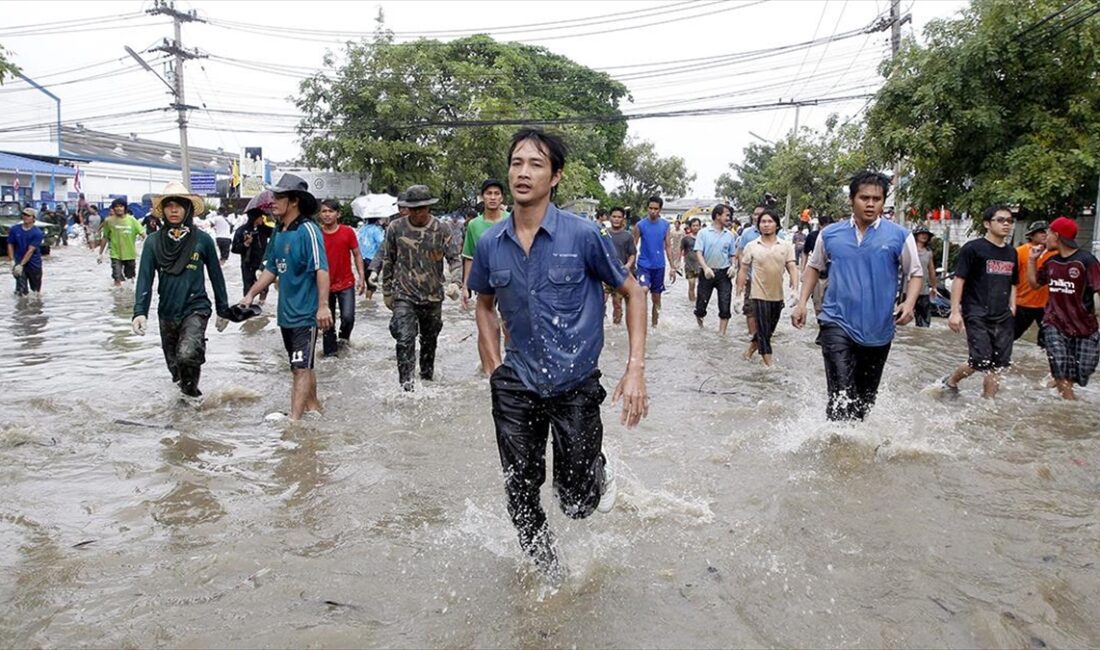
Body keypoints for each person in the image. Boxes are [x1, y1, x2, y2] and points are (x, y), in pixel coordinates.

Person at [467, 128, 648, 580]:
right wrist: (494, 369)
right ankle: (551, 576)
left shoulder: (584, 235)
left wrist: (635, 370)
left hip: (575, 384)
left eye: (536, 164)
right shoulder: (491, 243)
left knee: (578, 503)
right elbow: (484, 306)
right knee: (520, 492)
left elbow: (634, 293)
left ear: (555, 177)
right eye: (516, 163)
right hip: (516, 384)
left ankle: (596, 472)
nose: (523, 173)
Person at [791, 171, 923, 421]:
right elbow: (813, 267)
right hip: (835, 320)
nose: (871, 204)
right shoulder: (830, 234)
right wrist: (801, 303)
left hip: (879, 328)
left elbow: (915, 273)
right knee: (841, 393)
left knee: (864, 402)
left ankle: (855, 450)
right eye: (864, 198)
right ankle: (836, 451)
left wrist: (909, 302)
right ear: (852, 200)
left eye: (877, 199)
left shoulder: (899, 235)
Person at [238, 173, 333, 421]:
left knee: (300, 368)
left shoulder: (309, 230)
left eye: (279, 197)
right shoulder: (279, 231)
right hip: (286, 313)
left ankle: (293, 421)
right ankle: (313, 408)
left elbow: (321, 269)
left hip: (306, 312)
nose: (273, 201)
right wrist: (250, 295)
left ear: (294, 201)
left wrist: (323, 307)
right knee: (300, 365)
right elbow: (271, 269)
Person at [132, 181, 231, 398]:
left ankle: (193, 397)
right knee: (176, 368)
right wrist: (139, 311)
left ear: (187, 209)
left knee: (187, 353)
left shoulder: (203, 240)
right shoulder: (152, 242)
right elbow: (145, 279)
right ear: (163, 210)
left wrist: (223, 310)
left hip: (196, 307)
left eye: (179, 205)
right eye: (169, 206)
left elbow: (216, 276)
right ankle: (187, 403)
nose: (174, 210)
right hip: (167, 311)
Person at [377, 185, 462, 391]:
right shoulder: (395, 228)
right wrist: (386, 292)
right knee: (405, 339)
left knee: (429, 341)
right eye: (413, 208)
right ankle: (406, 388)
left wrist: (455, 282)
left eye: (421, 208)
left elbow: (455, 259)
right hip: (404, 294)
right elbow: (389, 259)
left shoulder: (442, 229)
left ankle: (427, 378)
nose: (417, 212)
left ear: (428, 208)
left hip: (433, 296)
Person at [942, 206, 1018, 399]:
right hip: (976, 312)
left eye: (1009, 220)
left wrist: (1013, 306)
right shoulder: (973, 249)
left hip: (1002, 314)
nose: (1006, 224)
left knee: (998, 364)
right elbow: (959, 279)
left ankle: (988, 403)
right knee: (980, 359)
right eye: (1000, 220)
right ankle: (951, 381)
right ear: (987, 223)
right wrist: (954, 312)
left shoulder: (1012, 253)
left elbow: (1014, 282)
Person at [1026, 217, 1100, 400]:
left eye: (1049, 233)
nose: (1046, 237)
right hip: (1054, 323)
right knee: (1060, 367)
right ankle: (1069, 405)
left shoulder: (1086, 261)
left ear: (1057, 236)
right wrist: (1031, 260)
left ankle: (1059, 385)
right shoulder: (1051, 262)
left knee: (1082, 372)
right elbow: (1035, 284)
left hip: (1084, 327)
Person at [737, 209, 797, 365]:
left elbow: (792, 267)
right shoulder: (752, 246)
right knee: (764, 331)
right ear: (759, 225)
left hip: (777, 295)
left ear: (777, 225)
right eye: (763, 222)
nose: (766, 225)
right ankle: (769, 367)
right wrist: (738, 295)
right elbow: (743, 270)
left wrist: (796, 290)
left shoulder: (786, 245)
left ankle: (748, 352)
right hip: (758, 294)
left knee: (769, 330)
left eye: (770, 221)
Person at [317, 199, 365, 357]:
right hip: (324, 285)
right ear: (320, 214)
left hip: (345, 283)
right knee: (327, 323)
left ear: (338, 214)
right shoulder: (317, 234)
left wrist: (362, 277)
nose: (327, 214)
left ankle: (344, 341)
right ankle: (330, 356)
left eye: (331, 211)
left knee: (348, 317)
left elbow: (357, 254)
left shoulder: (347, 232)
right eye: (324, 211)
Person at [462, 178, 510, 309]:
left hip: (510, 280)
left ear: (502, 198)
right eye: (489, 193)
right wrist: (465, 286)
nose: (493, 197)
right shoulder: (474, 225)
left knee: (509, 323)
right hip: (485, 280)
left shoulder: (512, 220)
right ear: (482, 197)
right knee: (485, 315)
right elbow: (469, 257)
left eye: (497, 193)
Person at [692, 205, 737, 334]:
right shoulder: (703, 233)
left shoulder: (729, 235)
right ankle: (700, 329)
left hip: (724, 273)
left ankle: (722, 334)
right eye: (726, 215)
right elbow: (699, 252)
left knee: (725, 303)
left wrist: (733, 266)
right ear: (717, 216)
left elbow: (732, 254)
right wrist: (705, 268)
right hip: (707, 273)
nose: (729, 218)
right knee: (701, 306)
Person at [633, 195, 674, 326]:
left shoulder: (665, 225)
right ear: (647, 208)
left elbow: (668, 246)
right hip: (643, 264)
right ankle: (641, 322)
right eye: (650, 208)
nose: (653, 211)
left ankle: (655, 325)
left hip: (659, 265)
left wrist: (672, 267)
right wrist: (630, 265)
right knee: (643, 290)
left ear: (660, 209)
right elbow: (633, 246)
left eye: (656, 209)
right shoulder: (640, 225)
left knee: (656, 298)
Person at [1014, 220, 1056, 345]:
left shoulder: (1055, 254)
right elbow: (1011, 278)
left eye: (1047, 232)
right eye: (1041, 232)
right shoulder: (1019, 252)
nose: (1045, 235)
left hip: (1047, 306)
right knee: (1009, 336)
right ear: (1031, 235)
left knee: (1048, 341)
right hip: (1022, 303)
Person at [98, 198, 145, 286]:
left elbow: (143, 235)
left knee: (130, 278)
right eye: (116, 207)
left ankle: (129, 297)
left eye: (121, 206)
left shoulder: (132, 220)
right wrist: (100, 254)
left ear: (125, 208)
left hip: (130, 254)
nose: (119, 208)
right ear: (113, 208)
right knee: (117, 276)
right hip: (115, 254)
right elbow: (105, 237)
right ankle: (118, 297)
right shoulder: (109, 221)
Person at [231, 207, 273, 302]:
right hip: (248, 263)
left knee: (264, 286)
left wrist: (277, 219)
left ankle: (263, 307)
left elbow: (276, 233)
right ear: (255, 218)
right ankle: (247, 307)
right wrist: (246, 244)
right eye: (260, 217)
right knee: (248, 286)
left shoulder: (264, 229)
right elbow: (234, 249)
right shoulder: (241, 230)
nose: (262, 219)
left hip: (262, 263)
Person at [605, 206, 637, 324]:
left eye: (619, 217)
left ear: (623, 219)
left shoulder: (627, 236)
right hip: (605, 273)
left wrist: (627, 266)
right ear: (610, 218)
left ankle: (616, 326)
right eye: (614, 216)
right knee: (599, 301)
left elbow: (632, 254)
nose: (616, 219)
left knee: (617, 303)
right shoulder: (603, 233)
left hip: (620, 274)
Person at [7, 207, 44, 298]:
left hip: (34, 264)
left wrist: (21, 265)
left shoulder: (37, 233)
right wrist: (12, 260)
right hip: (18, 261)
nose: (25, 217)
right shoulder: (14, 229)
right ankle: (21, 309)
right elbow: (10, 244)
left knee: (35, 292)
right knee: (21, 292)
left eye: (28, 215)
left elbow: (30, 250)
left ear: (33, 218)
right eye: (24, 215)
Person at [801, 214, 833, 315]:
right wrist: (803, 271)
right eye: (825, 226)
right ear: (820, 226)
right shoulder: (813, 236)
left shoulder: (837, 236)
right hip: (818, 274)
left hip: (833, 275)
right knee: (818, 303)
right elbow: (805, 253)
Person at [912, 225, 938, 328]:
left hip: (924, 290)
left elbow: (931, 271)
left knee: (924, 322)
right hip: (908, 289)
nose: (924, 236)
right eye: (921, 234)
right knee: (903, 318)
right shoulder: (909, 249)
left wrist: (934, 287)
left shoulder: (928, 253)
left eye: (926, 234)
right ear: (916, 236)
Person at [356, 213, 386, 300]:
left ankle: (366, 298)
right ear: (377, 219)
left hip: (362, 259)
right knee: (372, 283)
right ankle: (368, 300)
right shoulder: (376, 230)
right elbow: (382, 243)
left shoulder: (362, 229)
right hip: (373, 260)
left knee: (365, 280)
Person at [681, 217, 702, 302]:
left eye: (697, 225)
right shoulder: (686, 239)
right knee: (691, 284)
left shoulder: (703, 238)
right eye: (693, 225)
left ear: (700, 226)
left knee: (701, 285)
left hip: (701, 265)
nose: (695, 227)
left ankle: (699, 302)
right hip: (689, 265)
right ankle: (691, 301)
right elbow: (681, 250)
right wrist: (678, 262)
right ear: (690, 227)